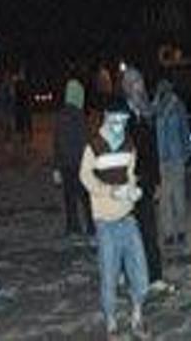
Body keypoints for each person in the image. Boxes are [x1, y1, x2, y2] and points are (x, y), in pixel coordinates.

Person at [79, 96, 150, 339]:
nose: (121, 123)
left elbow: (130, 174)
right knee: (109, 273)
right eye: (117, 118)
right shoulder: (94, 145)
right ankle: (111, 324)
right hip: (105, 221)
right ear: (107, 117)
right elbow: (85, 177)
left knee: (140, 271)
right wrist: (109, 191)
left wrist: (132, 190)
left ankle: (137, 317)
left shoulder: (129, 145)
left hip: (128, 217)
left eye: (124, 118)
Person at [123, 65, 174, 296]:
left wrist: (157, 182)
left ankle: (155, 277)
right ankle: (126, 272)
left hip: (145, 182)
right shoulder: (122, 116)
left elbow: (152, 151)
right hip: (127, 183)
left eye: (140, 83)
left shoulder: (146, 113)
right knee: (128, 231)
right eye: (133, 84)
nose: (138, 88)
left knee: (149, 231)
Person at [54, 69, 94, 239]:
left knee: (70, 197)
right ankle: (91, 226)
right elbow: (86, 141)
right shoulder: (80, 116)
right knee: (85, 197)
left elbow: (56, 143)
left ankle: (73, 227)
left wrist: (56, 167)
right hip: (80, 163)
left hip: (66, 164)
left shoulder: (61, 116)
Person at [154, 78, 190, 249]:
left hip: (175, 158)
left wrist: (185, 153)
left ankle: (180, 231)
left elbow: (185, 129)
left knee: (177, 197)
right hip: (163, 159)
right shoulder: (155, 107)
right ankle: (169, 233)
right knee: (165, 199)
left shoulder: (178, 106)